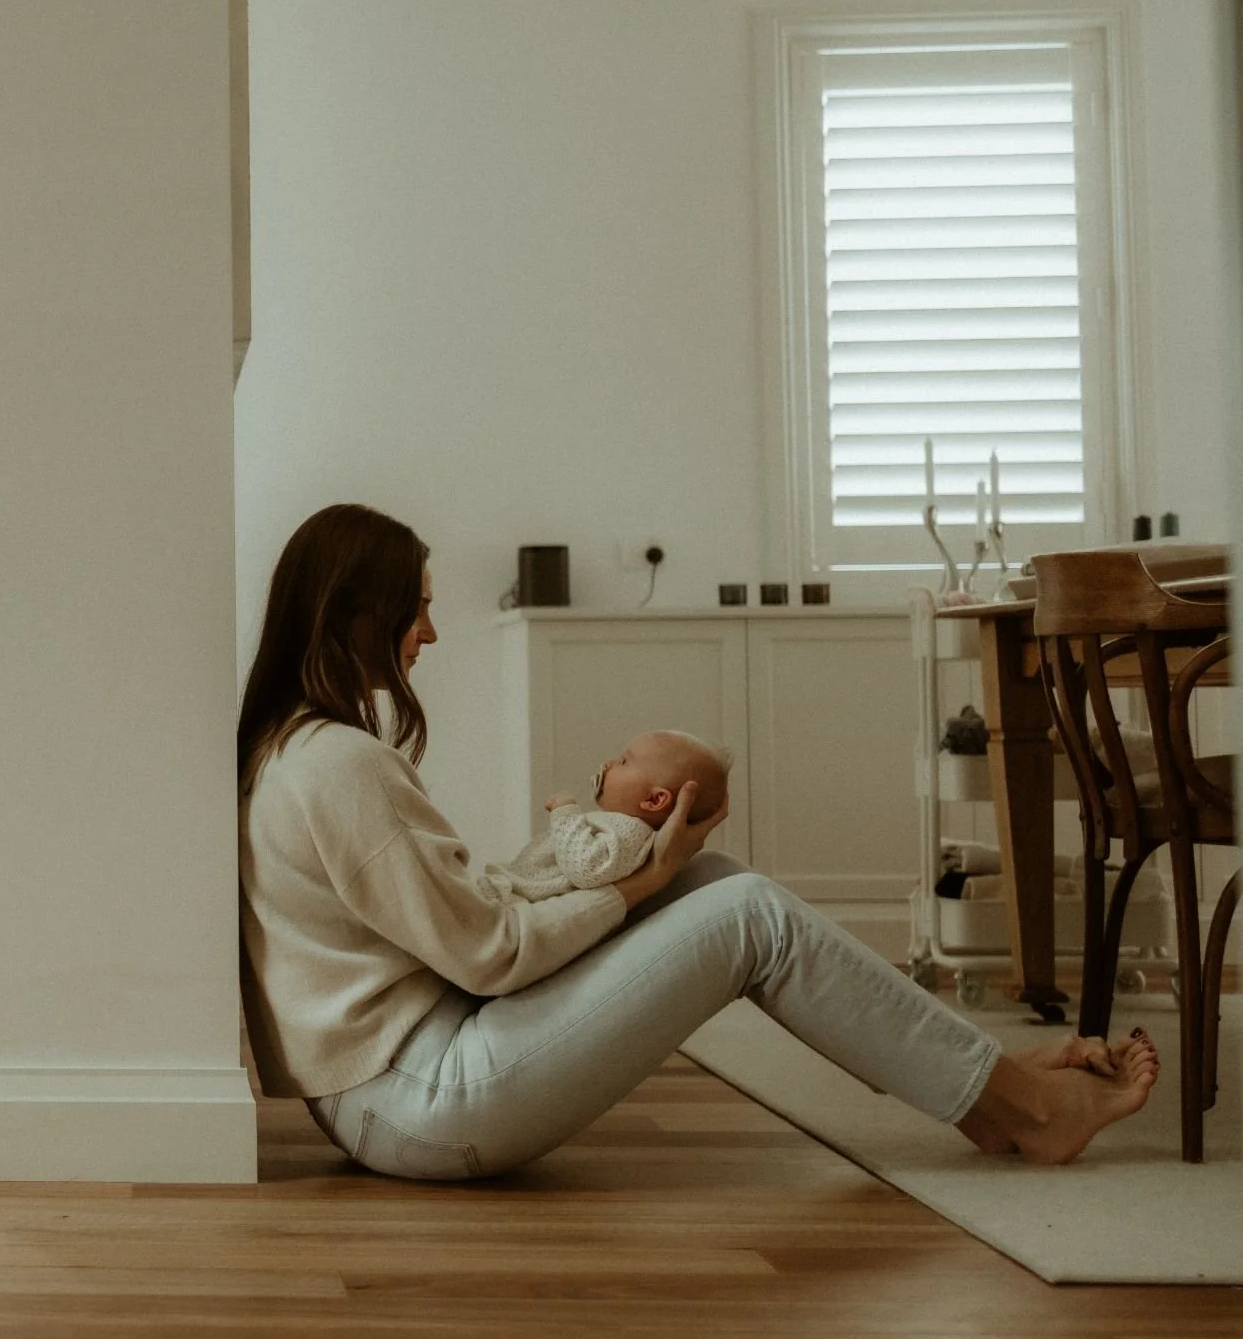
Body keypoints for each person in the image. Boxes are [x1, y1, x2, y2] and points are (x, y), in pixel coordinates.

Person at [238, 503, 1160, 1180]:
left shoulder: (299, 750)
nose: (430, 632)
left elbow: (466, 919)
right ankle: (1024, 1109)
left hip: (397, 1079)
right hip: (418, 1099)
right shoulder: (341, 767)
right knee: (748, 913)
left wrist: (637, 867)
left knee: (714, 875)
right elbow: (489, 953)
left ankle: (985, 1086)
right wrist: (644, 879)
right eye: (415, 609)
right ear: (355, 615)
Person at [478, 730, 729, 904]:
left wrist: (565, 812)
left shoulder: (631, 831)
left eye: (623, 761)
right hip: (512, 897)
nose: (609, 763)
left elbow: (587, 869)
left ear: (654, 800)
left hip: (516, 904)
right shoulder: (618, 826)